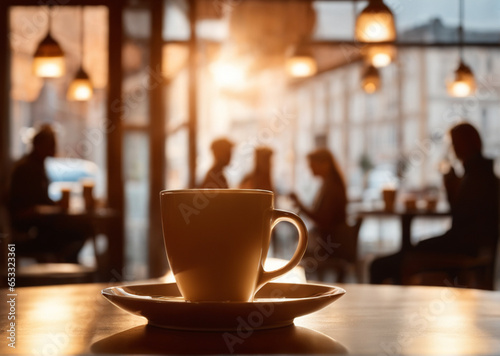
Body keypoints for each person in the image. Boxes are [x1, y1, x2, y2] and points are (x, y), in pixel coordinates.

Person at [370, 122, 499, 284]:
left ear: (465, 144)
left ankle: (399, 292)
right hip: (474, 247)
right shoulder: (484, 174)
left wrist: (451, 186)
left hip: (464, 247)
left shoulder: (475, 177)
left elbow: (460, 220)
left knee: (389, 262)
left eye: (454, 144)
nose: (453, 149)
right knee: (413, 249)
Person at [7, 124, 89, 263]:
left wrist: (56, 206)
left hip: (36, 227)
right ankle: (64, 272)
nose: (54, 148)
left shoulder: (36, 166)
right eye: (51, 144)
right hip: (29, 231)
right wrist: (56, 209)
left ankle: (64, 270)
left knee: (80, 227)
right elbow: (27, 208)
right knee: (80, 229)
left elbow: (41, 201)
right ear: (39, 145)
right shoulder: (27, 169)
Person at [290, 148, 348, 251]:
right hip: (332, 239)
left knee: (297, 247)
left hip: (329, 242)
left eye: (313, 165)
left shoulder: (332, 187)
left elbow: (322, 220)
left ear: (325, 164)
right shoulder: (330, 184)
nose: (310, 168)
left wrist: (300, 205)